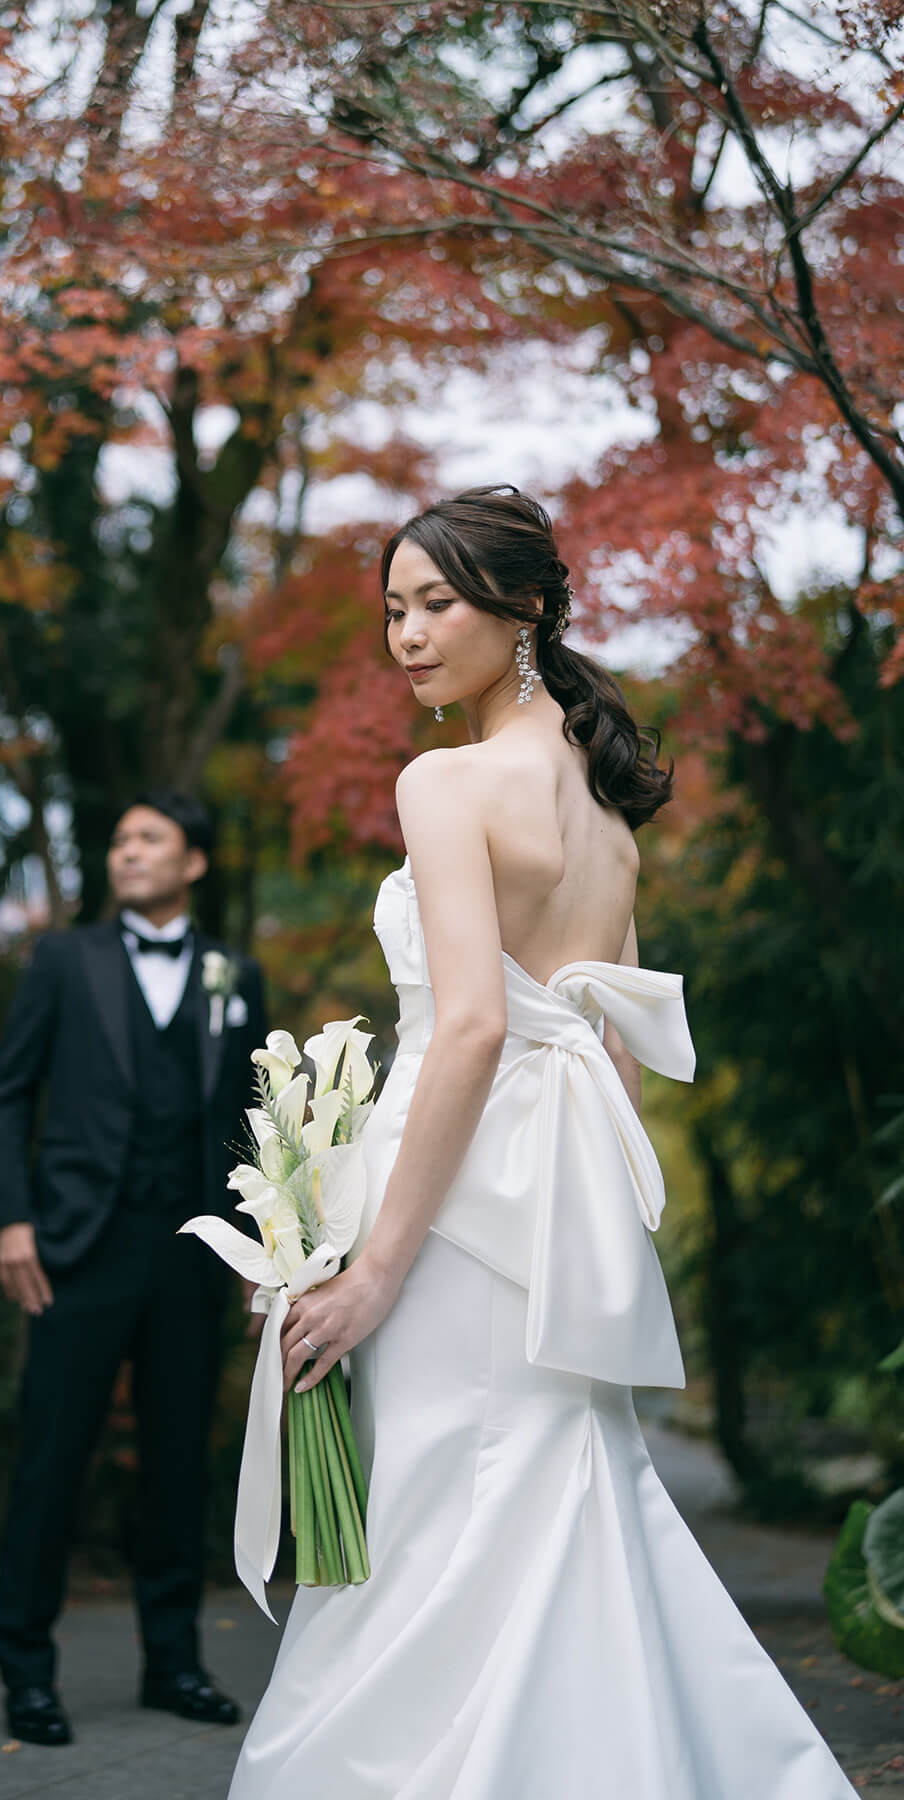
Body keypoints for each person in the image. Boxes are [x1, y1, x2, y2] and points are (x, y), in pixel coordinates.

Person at [228, 488, 857, 1798]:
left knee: (433, 1513)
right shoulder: (609, 817)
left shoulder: (445, 781)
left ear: (523, 608)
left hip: (447, 1205)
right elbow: (610, 1045)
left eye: (436, 603)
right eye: (393, 609)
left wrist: (371, 1269)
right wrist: (603, 1230)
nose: (405, 634)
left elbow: (465, 1031)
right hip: (557, 1197)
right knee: (550, 1489)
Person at [0, 790, 267, 1748]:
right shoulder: (65, 959)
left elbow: (250, 1121)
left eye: (149, 839)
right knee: (53, 1458)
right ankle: (26, 1673)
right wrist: (11, 1218)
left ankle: (174, 1663)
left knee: (179, 1464)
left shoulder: (235, 973)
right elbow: (9, 1093)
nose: (126, 853)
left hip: (191, 1253)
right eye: (118, 841)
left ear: (194, 863)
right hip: (77, 1246)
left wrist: (262, 1254)